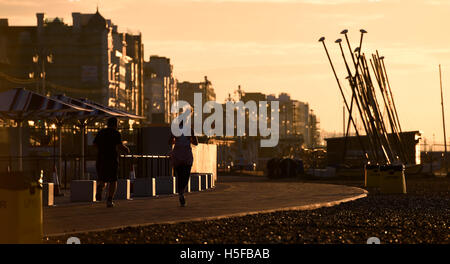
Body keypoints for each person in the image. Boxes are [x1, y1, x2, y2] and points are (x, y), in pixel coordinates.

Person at [94, 117, 130, 207]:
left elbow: (94, 144)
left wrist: (101, 149)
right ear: (115, 124)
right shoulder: (116, 133)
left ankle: (100, 187)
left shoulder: (101, 132)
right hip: (112, 159)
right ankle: (109, 200)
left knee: (102, 177)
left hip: (101, 159)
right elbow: (119, 145)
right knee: (113, 180)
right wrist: (127, 149)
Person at [169, 121, 198, 207]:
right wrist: (190, 138)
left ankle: (180, 193)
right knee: (186, 175)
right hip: (186, 155)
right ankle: (181, 193)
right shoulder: (190, 130)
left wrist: (175, 140)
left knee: (179, 175)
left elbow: (169, 142)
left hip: (177, 155)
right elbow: (196, 143)